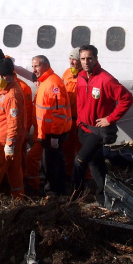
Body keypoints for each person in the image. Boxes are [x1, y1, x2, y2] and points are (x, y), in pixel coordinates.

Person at [73, 45, 133, 201]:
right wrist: (79, 120)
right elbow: (80, 101)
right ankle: (104, 198)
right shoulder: (80, 77)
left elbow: (127, 98)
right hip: (84, 128)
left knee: (79, 161)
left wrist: (110, 119)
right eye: (83, 59)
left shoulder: (105, 79)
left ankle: (75, 197)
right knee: (96, 163)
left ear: (96, 59)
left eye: (89, 58)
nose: (86, 62)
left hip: (97, 131)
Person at [26, 55, 72, 195]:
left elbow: (59, 112)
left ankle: (52, 192)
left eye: (37, 66)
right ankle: (58, 189)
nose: (34, 70)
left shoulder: (52, 84)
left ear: (46, 66)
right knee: (54, 161)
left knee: (51, 163)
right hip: (48, 132)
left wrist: (55, 136)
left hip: (52, 133)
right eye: (33, 66)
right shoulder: (46, 82)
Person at [0, 58, 25, 199]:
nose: (1, 79)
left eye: (4, 76)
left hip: (4, 141)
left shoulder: (11, 95)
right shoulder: (7, 90)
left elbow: (14, 122)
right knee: (13, 170)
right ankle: (18, 196)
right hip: (8, 140)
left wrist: (9, 143)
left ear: (11, 75)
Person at [62, 48, 82, 179]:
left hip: (80, 120)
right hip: (68, 119)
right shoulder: (67, 73)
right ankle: (68, 174)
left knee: (82, 151)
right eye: (70, 59)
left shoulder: (87, 76)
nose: (71, 62)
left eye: (74, 59)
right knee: (67, 149)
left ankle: (86, 178)